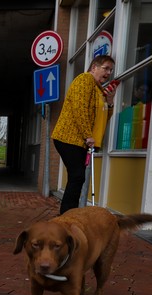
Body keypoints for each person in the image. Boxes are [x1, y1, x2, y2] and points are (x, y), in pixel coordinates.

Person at [51, 55, 117, 215]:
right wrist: (88, 135)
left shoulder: (98, 90)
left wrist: (109, 101)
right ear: (94, 67)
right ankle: (67, 215)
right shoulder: (85, 79)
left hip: (79, 141)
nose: (108, 73)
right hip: (68, 137)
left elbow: (103, 118)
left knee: (77, 177)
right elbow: (79, 109)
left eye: (111, 70)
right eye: (106, 68)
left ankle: (68, 214)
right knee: (77, 176)